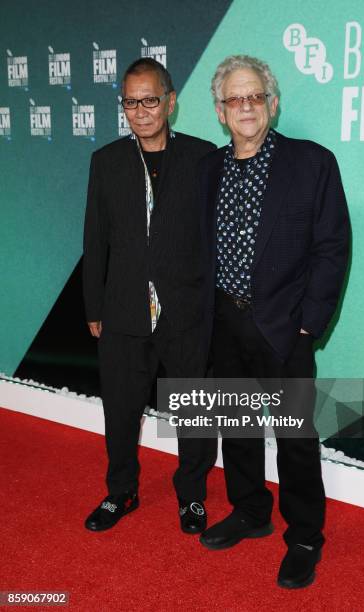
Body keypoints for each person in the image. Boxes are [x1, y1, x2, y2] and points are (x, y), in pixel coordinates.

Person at [198, 55, 350, 589]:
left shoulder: (312, 163)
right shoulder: (208, 168)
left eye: (254, 96)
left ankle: (305, 536)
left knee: (294, 439)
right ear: (220, 111)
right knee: (237, 430)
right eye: (234, 99)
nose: (245, 106)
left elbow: (332, 247)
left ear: (272, 103)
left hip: (286, 328)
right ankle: (251, 512)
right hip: (225, 324)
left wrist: (310, 323)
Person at [82, 58, 217, 533]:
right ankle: (121, 492)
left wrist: (211, 307)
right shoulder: (106, 161)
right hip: (122, 311)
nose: (140, 111)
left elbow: (214, 239)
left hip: (186, 312)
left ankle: (193, 496)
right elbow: (95, 239)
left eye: (150, 100)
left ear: (171, 101)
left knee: (194, 409)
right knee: (120, 410)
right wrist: (94, 307)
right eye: (130, 102)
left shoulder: (204, 159)